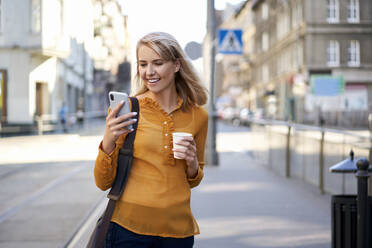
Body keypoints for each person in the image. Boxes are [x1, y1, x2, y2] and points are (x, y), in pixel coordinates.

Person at [94, 32, 208, 248]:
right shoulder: (127, 109)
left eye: (158, 63)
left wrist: (193, 162)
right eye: (143, 64)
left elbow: (194, 179)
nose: (149, 72)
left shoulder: (198, 116)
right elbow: (102, 182)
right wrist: (109, 139)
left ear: (176, 65)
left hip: (178, 232)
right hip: (128, 230)